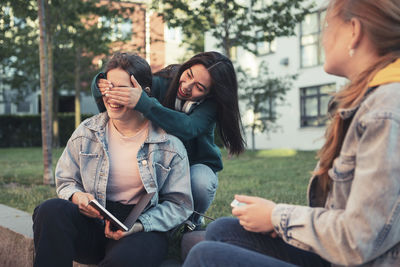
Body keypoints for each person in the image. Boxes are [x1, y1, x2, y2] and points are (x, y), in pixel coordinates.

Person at [183, 0, 400, 266]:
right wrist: (285, 222)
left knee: (204, 255)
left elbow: (359, 239)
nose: (322, 38)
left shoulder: (386, 111)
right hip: (341, 254)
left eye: (328, 26)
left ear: (353, 31)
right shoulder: (370, 100)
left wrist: (278, 217)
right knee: (221, 231)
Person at [32, 52, 193, 267]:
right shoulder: (87, 132)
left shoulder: (169, 145)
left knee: (126, 258)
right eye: (108, 87)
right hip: (94, 223)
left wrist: (139, 225)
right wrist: (77, 197)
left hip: (139, 230)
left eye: (122, 89)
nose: (111, 96)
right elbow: (66, 180)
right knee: (50, 210)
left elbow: (179, 205)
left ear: (143, 93)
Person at [91, 51, 245, 228]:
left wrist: (144, 103)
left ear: (210, 94)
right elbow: (127, 80)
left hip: (195, 165)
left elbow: (188, 127)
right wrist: (99, 83)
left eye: (199, 87)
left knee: (200, 182)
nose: (187, 86)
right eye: (188, 75)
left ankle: (191, 222)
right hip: (158, 160)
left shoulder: (210, 107)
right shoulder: (162, 83)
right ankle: (156, 219)